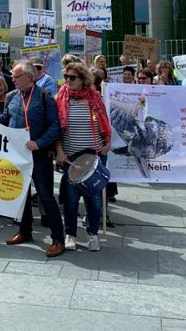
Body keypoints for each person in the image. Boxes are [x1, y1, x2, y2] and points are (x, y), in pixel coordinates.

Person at [0, 61, 65, 257]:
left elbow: (55, 127)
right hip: (17, 154)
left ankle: (58, 239)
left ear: (29, 77)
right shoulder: (12, 96)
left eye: (16, 77)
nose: (13, 80)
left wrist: (39, 143)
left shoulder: (44, 97)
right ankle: (25, 231)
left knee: (45, 196)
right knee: (20, 194)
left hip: (39, 155)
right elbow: (5, 118)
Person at [55, 61, 112, 252]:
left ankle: (92, 234)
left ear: (83, 79)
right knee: (71, 200)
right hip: (71, 158)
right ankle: (70, 234)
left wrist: (107, 143)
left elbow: (105, 122)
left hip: (94, 155)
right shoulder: (61, 98)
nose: (68, 81)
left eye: (72, 78)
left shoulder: (94, 98)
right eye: (66, 77)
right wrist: (59, 151)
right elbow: (56, 130)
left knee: (94, 199)